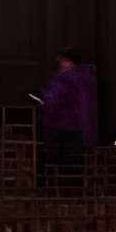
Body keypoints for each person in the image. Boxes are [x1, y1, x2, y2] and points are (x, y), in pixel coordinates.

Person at [38, 46, 97, 180]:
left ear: (67, 61)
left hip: (60, 125)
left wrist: (43, 101)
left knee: (58, 163)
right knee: (75, 165)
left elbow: (53, 100)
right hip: (81, 127)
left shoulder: (63, 79)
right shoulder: (87, 77)